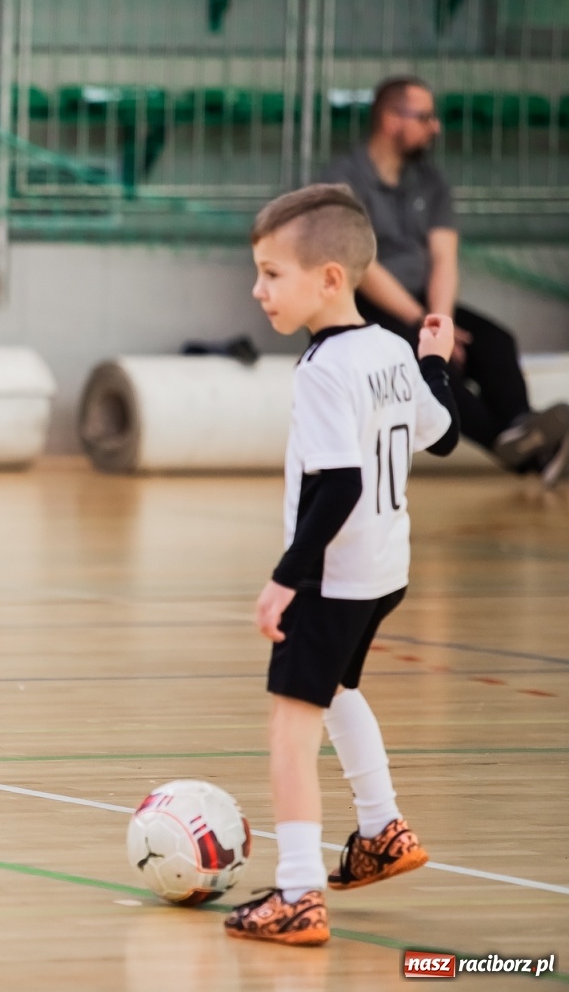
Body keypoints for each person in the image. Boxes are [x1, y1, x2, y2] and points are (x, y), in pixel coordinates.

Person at [224, 184, 460, 947]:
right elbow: (446, 433)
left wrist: (285, 577)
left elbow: (341, 485)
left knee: (290, 732)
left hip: (332, 576)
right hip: (384, 570)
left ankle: (297, 893)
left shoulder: (324, 369)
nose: (258, 290)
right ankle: (381, 829)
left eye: (272, 274)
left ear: (329, 278)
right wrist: (434, 365)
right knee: (339, 692)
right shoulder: (390, 349)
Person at [322, 75, 569, 486]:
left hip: (424, 299)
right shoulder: (343, 181)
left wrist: (441, 321)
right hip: (367, 307)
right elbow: (360, 268)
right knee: (428, 363)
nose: (434, 127)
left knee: (494, 342)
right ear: (390, 120)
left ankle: (522, 430)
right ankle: (518, 447)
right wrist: (422, 322)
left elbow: (444, 257)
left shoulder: (430, 182)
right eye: (424, 117)